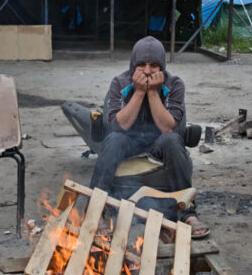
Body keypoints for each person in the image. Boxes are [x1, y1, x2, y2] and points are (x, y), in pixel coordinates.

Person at [89, 36, 209, 238]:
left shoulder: (174, 84)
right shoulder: (120, 82)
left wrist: (152, 92)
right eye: (141, 65)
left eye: (153, 65)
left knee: (172, 140)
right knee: (113, 140)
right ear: (132, 65)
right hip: (128, 140)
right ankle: (96, 210)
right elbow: (120, 125)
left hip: (159, 142)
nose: (146, 71)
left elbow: (168, 127)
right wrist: (138, 92)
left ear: (161, 66)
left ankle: (187, 213)